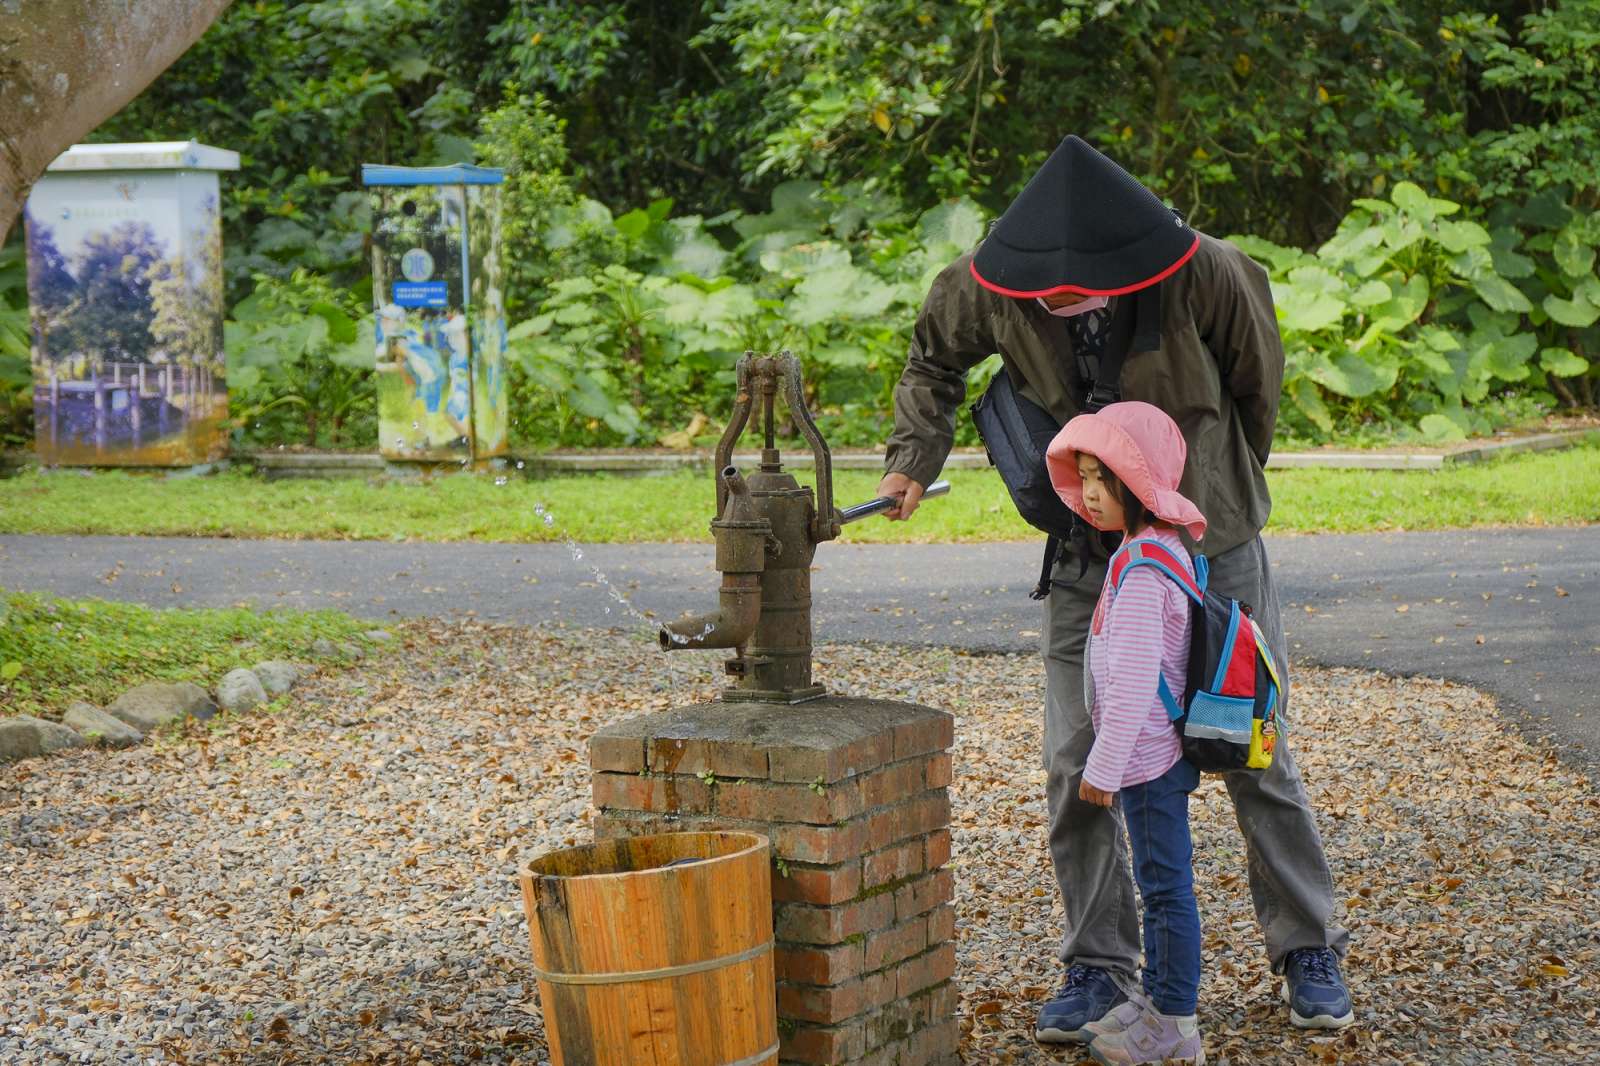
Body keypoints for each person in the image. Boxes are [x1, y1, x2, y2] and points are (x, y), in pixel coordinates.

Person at [875, 135, 1352, 1043]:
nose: (1054, 299)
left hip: (1214, 544)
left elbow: (1257, 386)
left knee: (1253, 744)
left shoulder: (1206, 271)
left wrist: (1213, 489)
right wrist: (910, 464)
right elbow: (931, 363)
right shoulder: (987, 284)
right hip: (1085, 553)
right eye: (1040, 291)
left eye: (1073, 287)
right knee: (1077, 757)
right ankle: (1098, 966)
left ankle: (1306, 949)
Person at [1043, 400, 1207, 1064]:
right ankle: (1157, 1002)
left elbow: (1137, 681)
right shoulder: (1157, 548)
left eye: (1101, 478)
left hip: (1145, 762)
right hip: (1151, 755)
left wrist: (1102, 769)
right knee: (1160, 883)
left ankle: (1173, 1028)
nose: (1087, 492)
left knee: (1166, 891)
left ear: (1136, 484)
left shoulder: (1142, 572)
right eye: (1082, 476)